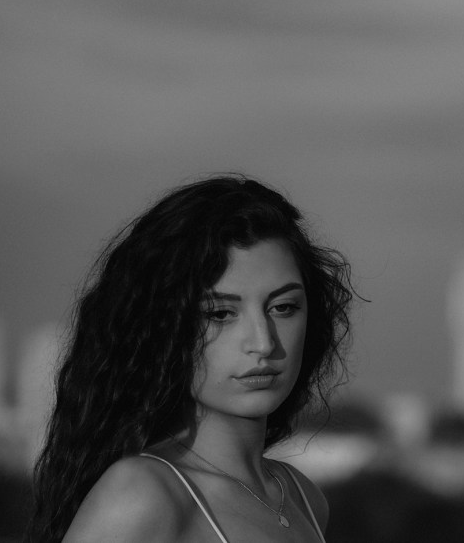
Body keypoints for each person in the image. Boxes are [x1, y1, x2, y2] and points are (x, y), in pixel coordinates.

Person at [26, 175, 353, 543]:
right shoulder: (143, 493)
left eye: (283, 307)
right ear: (163, 327)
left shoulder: (304, 498)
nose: (264, 343)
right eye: (220, 314)